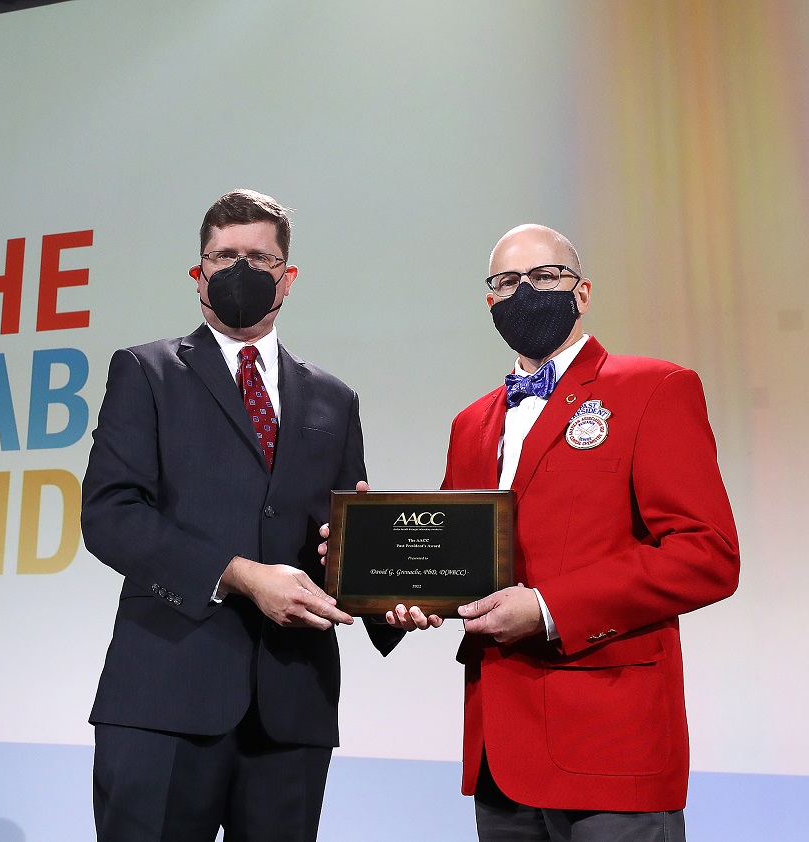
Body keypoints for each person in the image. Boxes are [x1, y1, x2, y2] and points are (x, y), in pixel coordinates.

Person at [81, 189, 420, 841]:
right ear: (198, 273)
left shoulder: (334, 398)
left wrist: (394, 599)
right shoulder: (146, 371)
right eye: (224, 256)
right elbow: (111, 515)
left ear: (287, 278)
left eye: (260, 259)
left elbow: (345, 537)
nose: (241, 270)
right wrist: (237, 574)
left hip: (293, 708)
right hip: (164, 698)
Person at [395, 223, 740, 840]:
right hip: (501, 757)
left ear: (582, 292)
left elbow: (706, 554)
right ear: (490, 302)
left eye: (545, 276)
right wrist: (385, 575)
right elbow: (454, 559)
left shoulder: (654, 388)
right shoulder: (471, 423)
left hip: (614, 745)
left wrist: (549, 608)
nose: (526, 291)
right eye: (508, 282)